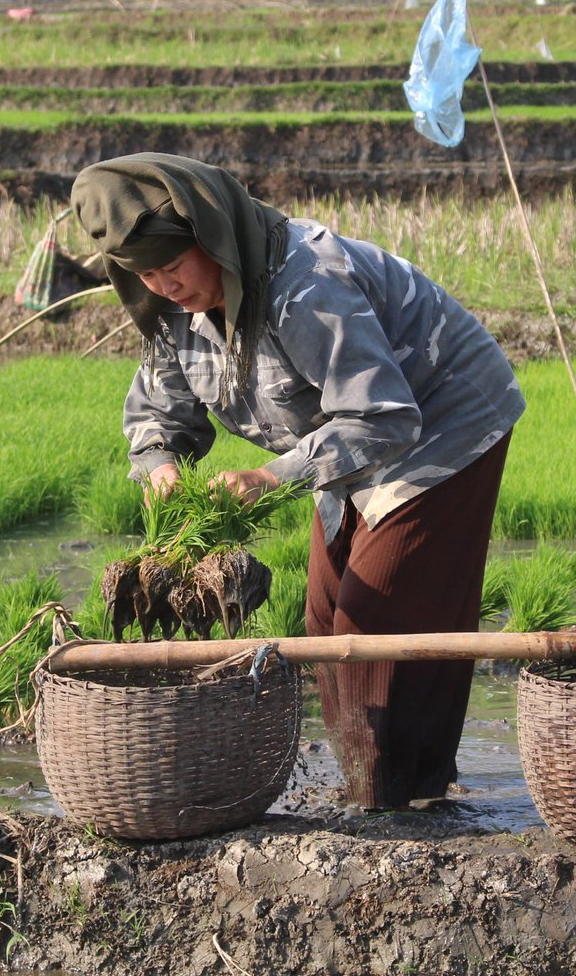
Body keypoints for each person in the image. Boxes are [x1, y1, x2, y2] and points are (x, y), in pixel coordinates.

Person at [70, 153, 525, 810]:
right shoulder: (171, 310)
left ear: (216, 240)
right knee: (322, 619)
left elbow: (385, 415)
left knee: (377, 617)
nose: (164, 284)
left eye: (174, 265)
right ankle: (381, 788)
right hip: (344, 435)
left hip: (441, 417)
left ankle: (395, 800)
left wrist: (268, 475)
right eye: (146, 273)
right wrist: (162, 462)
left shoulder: (305, 283)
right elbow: (154, 415)